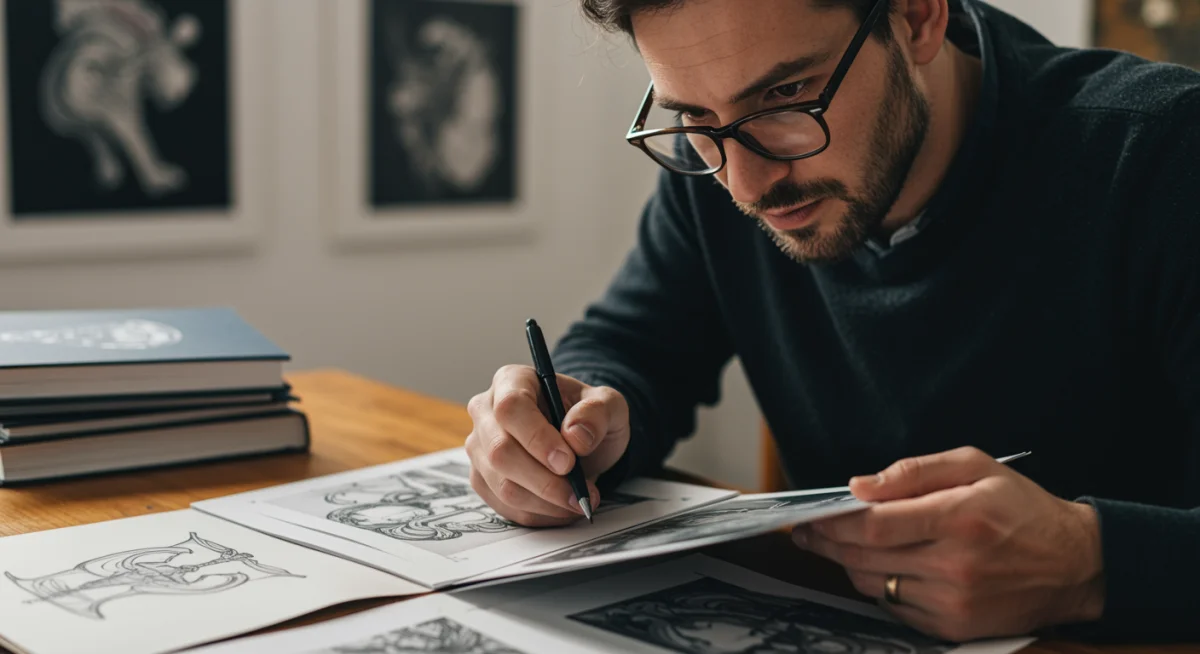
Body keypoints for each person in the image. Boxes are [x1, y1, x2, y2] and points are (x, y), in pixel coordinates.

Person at [464, 0, 1200, 643]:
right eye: (693, 117)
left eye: (786, 96)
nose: (747, 185)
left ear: (916, 18)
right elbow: (631, 343)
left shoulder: (1162, 152)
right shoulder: (720, 161)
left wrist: (1088, 565)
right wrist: (578, 417)